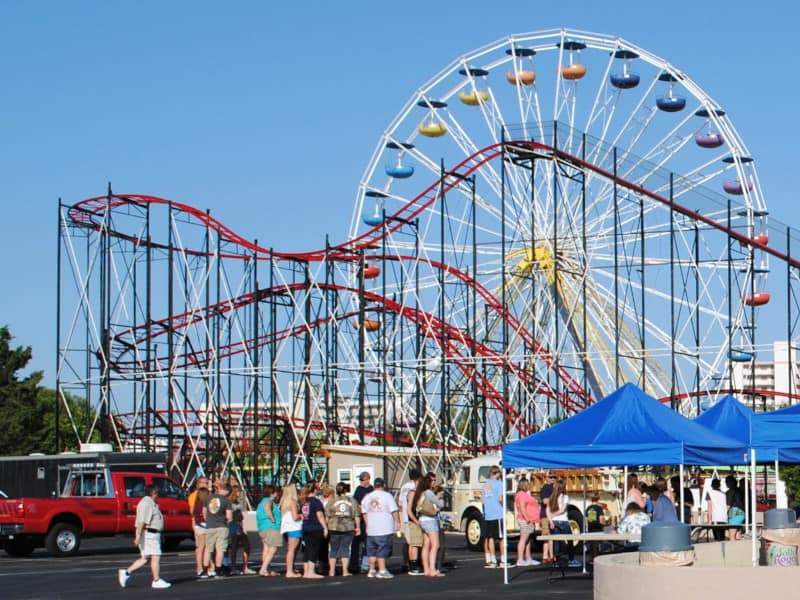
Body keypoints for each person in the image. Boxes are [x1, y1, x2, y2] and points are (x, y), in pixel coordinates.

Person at [117, 485, 171, 589]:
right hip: (149, 534)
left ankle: (126, 573)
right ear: (152, 493)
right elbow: (141, 521)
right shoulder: (146, 504)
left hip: (153, 534)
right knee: (156, 556)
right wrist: (137, 536)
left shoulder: (152, 503)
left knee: (145, 558)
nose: (158, 495)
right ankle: (156, 580)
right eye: (156, 493)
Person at [361, 476, 400, 579]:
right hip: (384, 527)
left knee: (371, 550)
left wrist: (367, 525)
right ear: (384, 485)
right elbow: (394, 510)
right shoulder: (387, 496)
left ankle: (372, 569)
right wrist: (397, 522)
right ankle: (382, 570)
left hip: (372, 528)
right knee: (382, 549)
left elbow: (364, 512)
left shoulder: (367, 497)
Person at [325, 481, 361, 576]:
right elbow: (356, 515)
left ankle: (331, 571)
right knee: (345, 549)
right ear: (346, 490)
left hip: (333, 527)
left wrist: (326, 526)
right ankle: (345, 571)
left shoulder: (331, 501)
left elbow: (327, 515)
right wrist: (358, 527)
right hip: (348, 527)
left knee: (333, 549)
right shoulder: (352, 501)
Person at [411, 474, 444, 577]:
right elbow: (440, 505)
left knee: (426, 544)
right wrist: (439, 497)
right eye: (433, 481)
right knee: (435, 545)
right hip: (430, 520)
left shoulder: (420, 493)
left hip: (422, 519)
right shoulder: (429, 493)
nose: (434, 482)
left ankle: (426, 569)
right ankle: (432, 569)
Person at [299, 481, 328, 579]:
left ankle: (306, 571)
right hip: (315, 527)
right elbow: (319, 515)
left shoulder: (304, 501)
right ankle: (311, 572)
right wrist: (324, 527)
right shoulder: (316, 501)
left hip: (306, 527)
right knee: (314, 550)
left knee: (307, 549)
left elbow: (303, 515)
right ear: (315, 490)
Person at [204, 481, 233, 578]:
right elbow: (229, 516)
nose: (228, 493)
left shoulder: (208, 498)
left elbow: (204, 513)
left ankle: (204, 570)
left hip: (210, 526)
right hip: (221, 526)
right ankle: (218, 569)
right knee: (220, 549)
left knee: (208, 549)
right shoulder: (226, 501)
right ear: (223, 489)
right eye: (227, 491)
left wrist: (208, 520)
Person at [548, 480, 580, 568]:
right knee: (570, 540)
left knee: (556, 542)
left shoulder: (552, 497)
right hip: (563, 521)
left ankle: (556, 561)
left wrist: (550, 520)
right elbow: (562, 510)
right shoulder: (565, 497)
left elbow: (547, 509)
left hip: (554, 521)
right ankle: (571, 560)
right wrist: (554, 514)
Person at [480, 465, 507, 568]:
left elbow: (482, 501)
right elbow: (500, 499)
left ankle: (492, 560)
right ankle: (503, 560)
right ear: (496, 473)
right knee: (501, 538)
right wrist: (505, 507)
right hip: (497, 514)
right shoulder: (499, 483)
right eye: (499, 473)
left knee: (490, 538)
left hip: (488, 514)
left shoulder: (485, 485)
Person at [398, 468, 423, 575]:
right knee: (414, 543)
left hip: (404, 516)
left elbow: (399, 503)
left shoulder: (404, 486)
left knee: (408, 542)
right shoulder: (413, 487)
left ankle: (406, 563)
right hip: (411, 516)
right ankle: (413, 565)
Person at [350, 471, 374, 573]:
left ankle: (365, 565)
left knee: (367, 544)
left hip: (368, 520)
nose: (361, 482)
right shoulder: (358, 489)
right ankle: (353, 565)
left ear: (368, 479)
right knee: (355, 544)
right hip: (359, 520)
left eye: (362, 480)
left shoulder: (371, 490)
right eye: (360, 480)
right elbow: (355, 502)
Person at [227, 484, 254, 574]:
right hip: (233, 525)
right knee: (234, 547)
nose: (240, 493)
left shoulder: (240, 502)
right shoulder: (230, 503)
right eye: (238, 491)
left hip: (239, 525)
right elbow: (230, 516)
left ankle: (245, 567)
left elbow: (243, 514)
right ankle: (233, 567)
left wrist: (244, 526)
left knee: (247, 546)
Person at [255, 485, 282, 576]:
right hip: (271, 527)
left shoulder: (261, 502)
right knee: (273, 548)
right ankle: (263, 569)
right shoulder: (269, 501)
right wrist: (272, 518)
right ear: (272, 493)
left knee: (266, 548)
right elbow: (267, 507)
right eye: (276, 492)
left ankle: (267, 569)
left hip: (262, 527)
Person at [513, 478, 541, 567]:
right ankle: (520, 559)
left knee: (528, 540)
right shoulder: (521, 495)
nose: (529, 485)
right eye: (528, 484)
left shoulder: (524, 494)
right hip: (525, 520)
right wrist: (527, 518)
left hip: (529, 519)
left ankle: (528, 558)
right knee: (523, 539)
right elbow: (522, 507)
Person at [279, 482, 303, 577]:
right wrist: (302, 515)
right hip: (294, 527)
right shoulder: (293, 501)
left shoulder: (284, 501)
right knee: (292, 549)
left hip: (287, 527)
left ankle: (291, 568)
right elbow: (295, 517)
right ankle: (289, 571)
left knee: (292, 549)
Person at [192, 487, 210, 578]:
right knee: (203, 547)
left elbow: (193, 513)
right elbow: (204, 515)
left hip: (198, 525)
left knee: (202, 547)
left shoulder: (196, 503)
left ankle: (201, 567)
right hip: (203, 526)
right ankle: (200, 568)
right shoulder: (203, 504)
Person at [539, 471, 556, 563]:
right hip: (545, 515)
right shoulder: (546, 487)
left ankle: (551, 555)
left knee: (551, 536)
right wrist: (555, 501)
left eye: (554, 477)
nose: (553, 479)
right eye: (551, 477)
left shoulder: (552, 488)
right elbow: (545, 501)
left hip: (551, 515)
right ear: (546, 478)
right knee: (546, 535)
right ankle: (545, 556)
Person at [725, 474, 745, 540]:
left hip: (734, 513)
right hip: (741, 512)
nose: (725, 483)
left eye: (726, 481)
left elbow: (728, 505)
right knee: (737, 535)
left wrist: (724, 515)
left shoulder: (730, 492)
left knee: (731, 536)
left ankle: (732, 549)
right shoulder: (740, 490)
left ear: (730, 482)